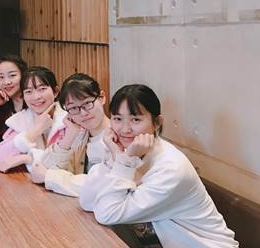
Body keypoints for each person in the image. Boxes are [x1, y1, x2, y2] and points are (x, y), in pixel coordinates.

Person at [79, 84, 238, 248]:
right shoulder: (129, 152)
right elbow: (87, 200)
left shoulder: (171, 169)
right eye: (118, 119)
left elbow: (106, 213)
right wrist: (115, 157)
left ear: (157, 122)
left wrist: (125, 161)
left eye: (136, 120)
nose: (125, 129)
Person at [29, 73, 110, 197]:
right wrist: (70, 135)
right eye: (73, 108)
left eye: (87, 103)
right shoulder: (80, 134)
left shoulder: (118, 138)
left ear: (102, 98)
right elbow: (44, 167)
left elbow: (103, 186)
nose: (83, 113)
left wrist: (50, 177)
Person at [0, 66, 66, 172]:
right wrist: (36, 130)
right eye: (28, 91)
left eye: (42, 89)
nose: (36, 97)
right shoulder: (21, 119)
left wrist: (28, 158)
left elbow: (63, 164)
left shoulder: (69, 120)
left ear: (56, 91)